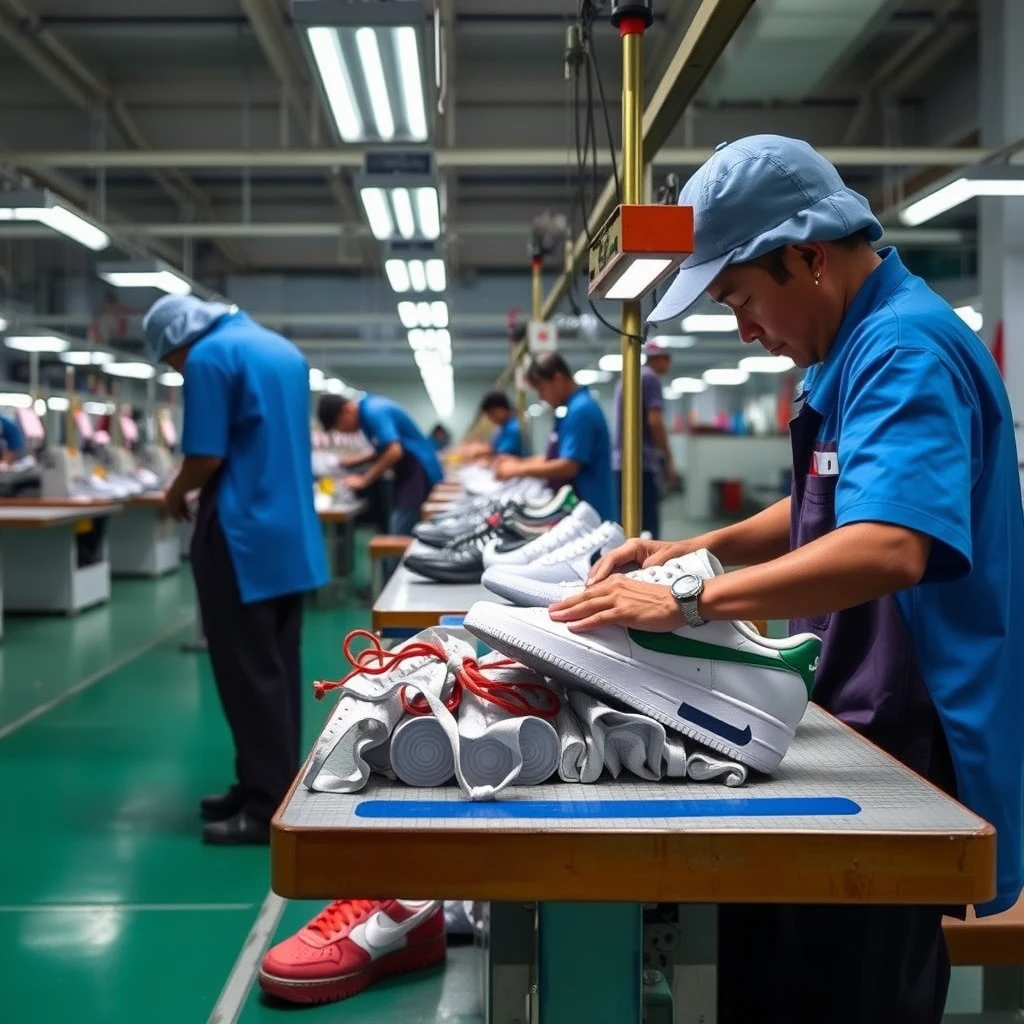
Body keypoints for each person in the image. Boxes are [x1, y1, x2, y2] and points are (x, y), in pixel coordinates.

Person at [548, 134, 1024, 1024]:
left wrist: (688, 598)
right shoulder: (849, 353)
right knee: (770, 975)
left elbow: (888, 546)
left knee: (846, 994)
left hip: (912, 741)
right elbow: (822, 507)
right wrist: (692, 551)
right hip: (860, 712)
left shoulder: (902, 350)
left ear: (809, 258)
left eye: (741, 299)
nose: (744, 330)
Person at [143, 294, 328, 846]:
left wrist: (174, 493)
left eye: (169, 361)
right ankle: (266, 782)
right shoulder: (282, 350)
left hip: (242, 535)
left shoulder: (208, 358)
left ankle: (264, 804)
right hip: (292, 535)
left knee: (245, 675)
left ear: (178, 339)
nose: (177, 371)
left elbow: (206, 455)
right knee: (276, 669)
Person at [317, 391, 442, 571]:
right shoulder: (369, 411)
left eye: (338, 426)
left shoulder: (373, 412)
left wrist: (364, 480)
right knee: (400, 528)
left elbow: (394, 451)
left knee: (398, 534)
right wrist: (356, 461)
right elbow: (384, 448)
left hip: (416, 471)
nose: (342, 431)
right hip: (409, 472)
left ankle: (394, 586)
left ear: (346, 411)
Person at [493, 352, 615, 522]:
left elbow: (568, 466)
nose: (541, 397)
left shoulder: (581, 410)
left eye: (541, 389)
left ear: (557, 379)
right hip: (581, 510)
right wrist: (519, 463)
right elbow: (556, 457)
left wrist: (518, 470)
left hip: (592, 512)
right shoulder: (572, 409)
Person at [611, 338, 678, 538]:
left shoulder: (631, 375)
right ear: (662, 359)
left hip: (621, 464)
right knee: (648, 530)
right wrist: (668, 459)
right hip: (640, 465)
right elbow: (655, 421)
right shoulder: (649, 378)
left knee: (628, 527)